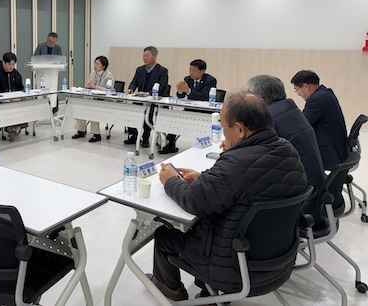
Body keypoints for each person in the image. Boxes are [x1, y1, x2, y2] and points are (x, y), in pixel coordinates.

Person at [148, 92, 307, 300]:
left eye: (224, 128)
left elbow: (193, 201)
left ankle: (171, 288)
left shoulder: (236, 163)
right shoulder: (288, 149)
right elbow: (243, 186)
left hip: (234, 268)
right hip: (280, 261)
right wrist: (204, 178)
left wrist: (170, 180)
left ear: (239, 129)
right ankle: (208, 297)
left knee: (165, 235)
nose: (223, 135)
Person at [248, 74, 325, 225]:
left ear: (262, 99)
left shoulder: (269, 118)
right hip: (313, 187)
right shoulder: (290, 108)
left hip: (300, 199)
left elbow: (254, 156)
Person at [291, 70, 347, 170]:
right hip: (336, 146)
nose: (298, 94)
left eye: (297, 89)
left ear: (306, 87)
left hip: (329, 152)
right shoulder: (326, 93)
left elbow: (302, 124)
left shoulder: (316, 99)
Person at [125, 46, 168, 148]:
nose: (144, 58)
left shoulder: (162, 71)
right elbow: (134, 82)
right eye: (143, 56)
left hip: (154, 101)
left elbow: (162, 87)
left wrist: (148, 93)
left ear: (154, 56)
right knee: (129, 111)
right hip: (140, 99)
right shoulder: (140, 70)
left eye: (147, 56)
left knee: (148, 114)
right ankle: (134, 135)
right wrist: (131, 89)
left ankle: (145, 138)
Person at [72, 56, 113, 143]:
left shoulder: (109, 76)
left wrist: (95, 87)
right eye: (94, 63)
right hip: (94, 99)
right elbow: (91, 87)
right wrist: (88, 87)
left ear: (103, 66)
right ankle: (81, 131)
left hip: (105, 101)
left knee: (94, 108)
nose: (95, 65)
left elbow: (109, 90)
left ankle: (96, 134)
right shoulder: (92, 74)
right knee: (83, 106)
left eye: (97, 64)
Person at [0, 52, 26, 141]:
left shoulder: (15, 73)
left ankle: (14, 130)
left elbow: (21, 87)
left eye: (13, 64)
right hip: (1, 101)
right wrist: (2, 98)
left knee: (22, 107)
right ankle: (11, 128)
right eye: (9, 64)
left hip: (13, 101)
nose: (11, 67)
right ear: (3, 62)